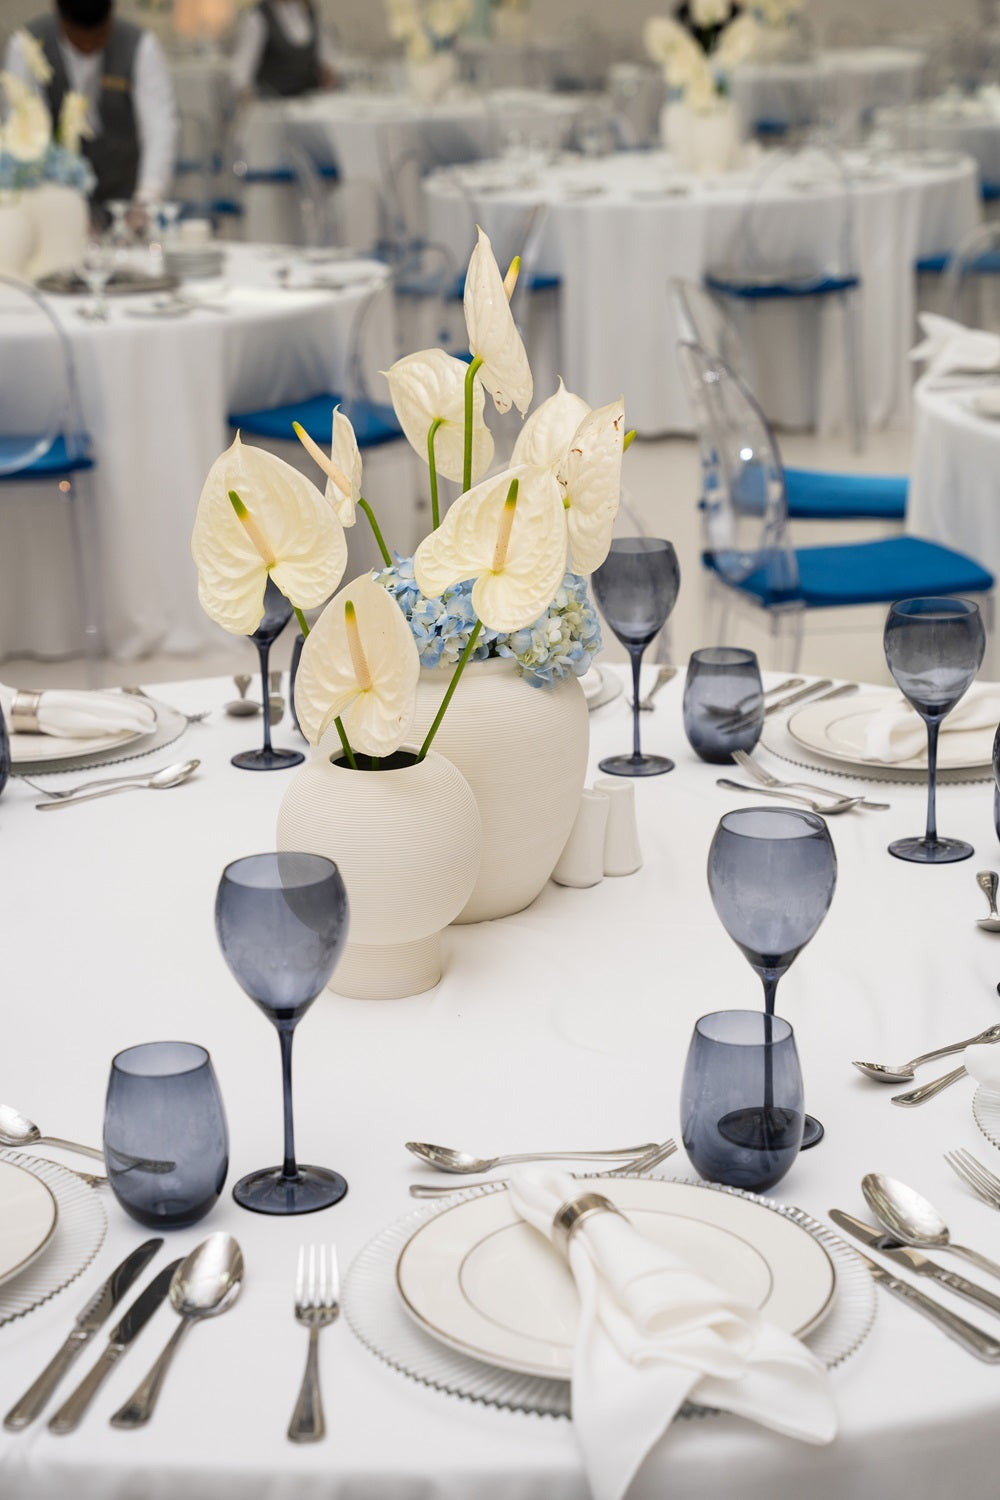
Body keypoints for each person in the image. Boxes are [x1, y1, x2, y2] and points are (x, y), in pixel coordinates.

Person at [3, 0, 179, 210]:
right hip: (54, 203)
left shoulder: (139, 45)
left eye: (98, 37)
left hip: (124, 196)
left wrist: (148, 197)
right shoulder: (28, 45)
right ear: (61, 19)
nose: (88, 46)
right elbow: (24, 132)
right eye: (78, 38)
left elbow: (160, 128)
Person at [229, 0, 338, 101]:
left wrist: (329, 79)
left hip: (312, 102)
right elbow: (241, 73)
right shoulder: (258, 17)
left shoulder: (310, 12)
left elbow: (325, 62)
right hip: (275, 103)